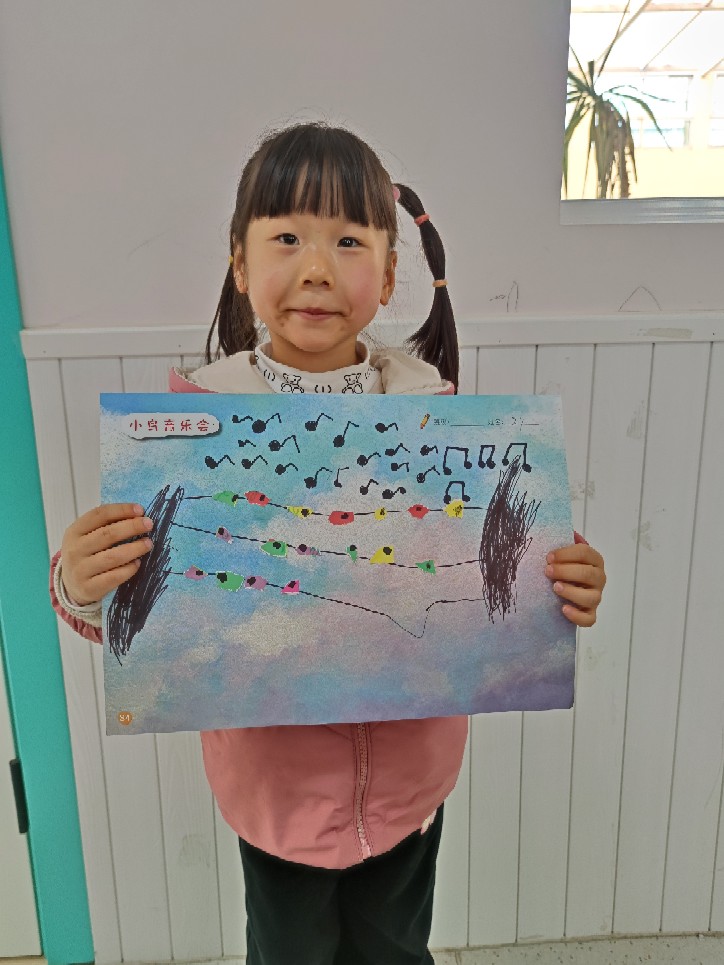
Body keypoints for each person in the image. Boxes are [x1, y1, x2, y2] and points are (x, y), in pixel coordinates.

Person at [50, 122, 606, 965]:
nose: (315, 266)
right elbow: (140, 600)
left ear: (388, 273)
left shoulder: (438, 418)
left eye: (347, 240)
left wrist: (564, 573)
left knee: (395, 949)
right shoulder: (188, 430)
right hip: (275, 799)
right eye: (286, 237)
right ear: (241, 265)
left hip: (411, 789)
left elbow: (504, 543)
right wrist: (82, 581)